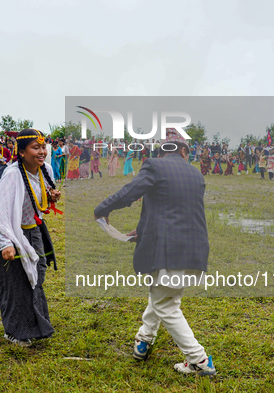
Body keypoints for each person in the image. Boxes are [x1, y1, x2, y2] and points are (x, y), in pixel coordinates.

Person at [93, 129, 216, 376]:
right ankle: (144, 339)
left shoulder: (154, 166)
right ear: (183, 152)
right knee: (165, 295)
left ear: (161, 151)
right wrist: (140, 230)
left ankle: (199, 361)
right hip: (193, 247)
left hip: (167, 248)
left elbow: (130, 193)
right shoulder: (195, 173)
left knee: (165, 304)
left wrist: (102, 209)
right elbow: (167, 207)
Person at [0, 128, 61, 347]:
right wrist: (6, 244)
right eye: (36, 147)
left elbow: (40, 205)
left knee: (36, 277)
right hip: (9, 232)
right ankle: (15, 332)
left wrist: (51, 198)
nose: (42, 152)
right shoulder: (13, 174)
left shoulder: (45, 170)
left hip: (33, 231)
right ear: (22, 152)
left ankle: (36, 326)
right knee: (15, 283)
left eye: (43, 146)